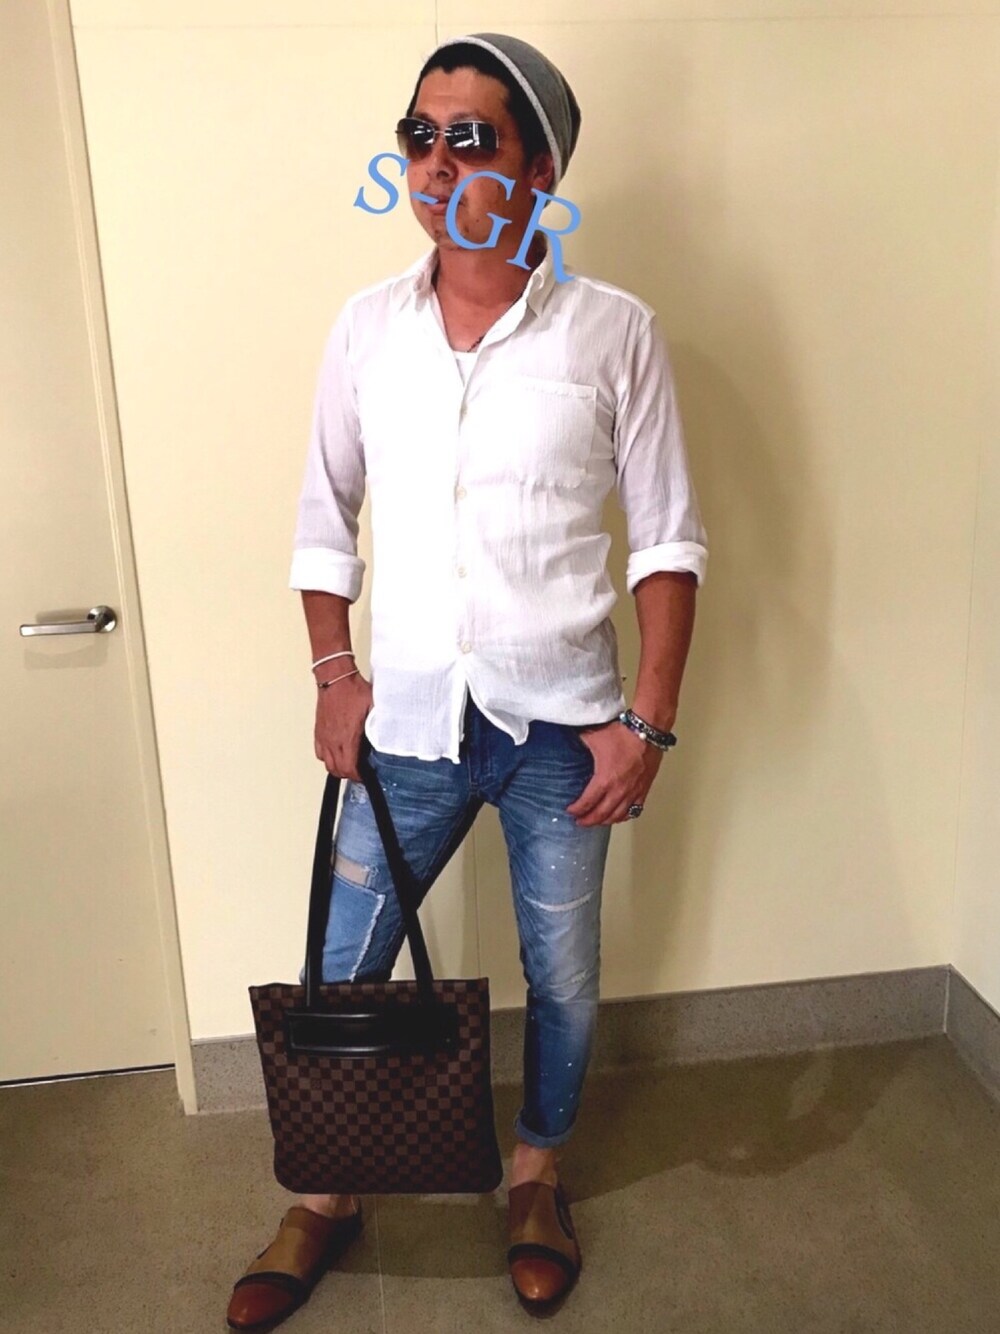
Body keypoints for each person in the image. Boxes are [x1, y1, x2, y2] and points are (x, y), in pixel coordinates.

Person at [227, 31, 708, 1331]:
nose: (436, 164)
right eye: (419, 136)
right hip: (408, 723)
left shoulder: (615, 333)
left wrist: (649, 723)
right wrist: (333, 672)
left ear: (541, 167)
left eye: (471, 138)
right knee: (343, 968)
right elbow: (322, 518)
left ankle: (536, 1178)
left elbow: (668, 541)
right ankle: (327, 1190)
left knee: (566, 975)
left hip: (566, 730)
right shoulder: (365, 330)